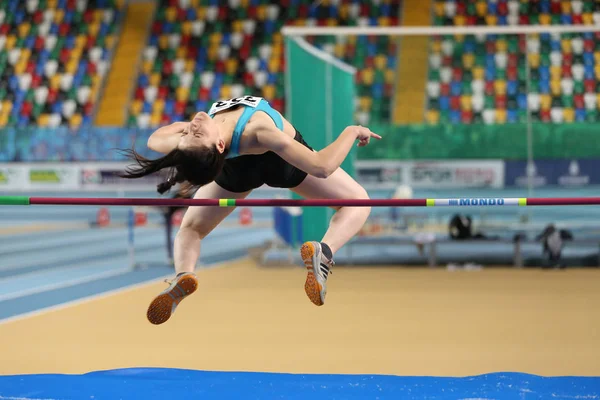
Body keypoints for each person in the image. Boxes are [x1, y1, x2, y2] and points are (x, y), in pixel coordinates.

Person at [120, 95, 381, 325]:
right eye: (196, 134)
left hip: (233, 172)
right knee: (358, 200)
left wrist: (187, 135)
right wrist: (353, 130)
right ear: (219, 146)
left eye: (190, 133)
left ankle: (184, 272)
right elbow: (322, 167)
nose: (195, 126)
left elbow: (156, 139)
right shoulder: (258, 130)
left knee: (191, 229)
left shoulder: (199, 143)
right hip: (280, 162)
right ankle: (323, 252)